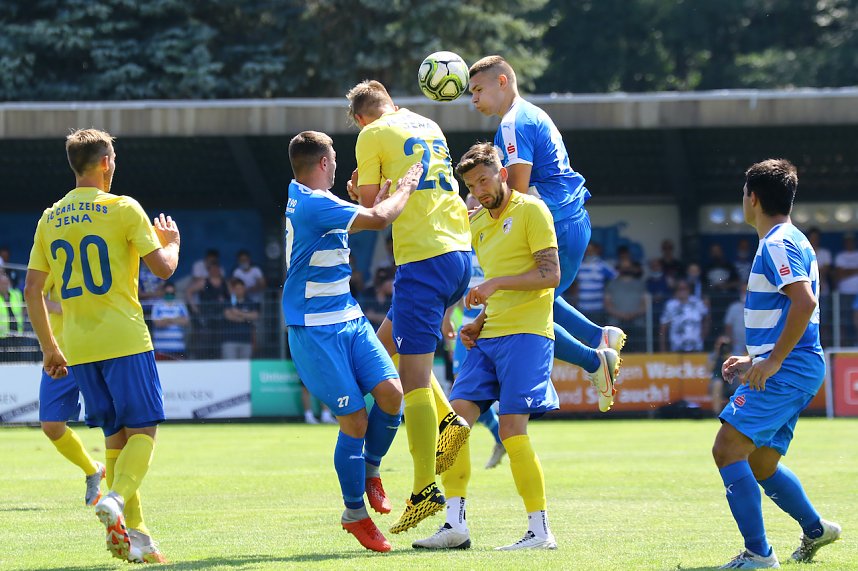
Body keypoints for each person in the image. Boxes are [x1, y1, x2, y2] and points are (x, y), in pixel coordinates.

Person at [24, 128, 179, 563]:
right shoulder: (123, 207)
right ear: (106, 162)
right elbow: (163, 270)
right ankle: (115, 499)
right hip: (124, 338)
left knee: (115, 438)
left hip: (78, 347)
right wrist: (172, 243)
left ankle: (139, 536)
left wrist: (50, 348)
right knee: (144, 432)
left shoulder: (49, 218)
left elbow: (32, 289)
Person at [414, 143, 572, 551]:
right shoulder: (479, 224)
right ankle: (455, 526)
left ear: (502, 173)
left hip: (528, 334)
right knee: (453, 426)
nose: (480, 190)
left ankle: (540, 532)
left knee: (511, 429)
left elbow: (550, 275)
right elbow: (496, 286)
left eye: (484, 180)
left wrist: (494, 284)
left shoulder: (532, 210)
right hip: (488, 336)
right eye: (472, 185)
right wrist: (478, 322)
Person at [283, 130, 422, 552]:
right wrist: (406, 188)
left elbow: (356, 218)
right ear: (324, 162)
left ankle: (370, 470)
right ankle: (354, 513)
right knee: (355, 421)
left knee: (392, 393)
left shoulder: (313, 198)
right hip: (314, 328)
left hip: (348, 316)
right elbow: (379, 220)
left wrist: (362, 202)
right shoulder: (314, 204)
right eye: (335, 160)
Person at [347, 79, 473, 533]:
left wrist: (356, 191)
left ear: (360, 117)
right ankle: (449, 423)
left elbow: (371, 211)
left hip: (423, 257)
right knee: (384, 350)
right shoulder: (428, 123)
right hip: (459, 253)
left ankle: (423, 490)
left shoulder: (371, 134)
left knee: (413, 380)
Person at [468, 55, 623, 413]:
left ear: (502, 82)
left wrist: (480, 215)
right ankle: (599, 337)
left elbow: (517, 191)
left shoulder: (512, 124)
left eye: (478, 90)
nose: (473, 99)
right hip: (568, 218)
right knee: (541, 300)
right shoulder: (532, 113)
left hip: (555, 221)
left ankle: (594, 360)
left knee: (530, 309)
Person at [714, 159, 841, 568]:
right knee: (761, 462)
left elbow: (804, 303)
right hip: (796, 365)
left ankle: (758, 554)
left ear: (752, 198)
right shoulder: (793, 239)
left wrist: (772, 362)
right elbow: (792, 309)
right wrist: (756, 357)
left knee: (727, 448)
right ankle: (815, 528)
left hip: (790, 366)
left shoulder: (776, 243)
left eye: (743, 193)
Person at [442, 194, 505, 471]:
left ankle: (507, 435)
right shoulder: (461, 243)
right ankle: (499, 436)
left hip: (494, 324)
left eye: (477, 206)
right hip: (467, 327)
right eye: (469, 207)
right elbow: (459, 287)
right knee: (461, 388)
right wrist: (447, 317)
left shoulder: (497, 239)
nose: (473, 210)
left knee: (483, 388)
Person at [38, 274, 106, 506]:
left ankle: (121, 492)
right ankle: (92, 470)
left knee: (116, 420)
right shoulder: (50, 257)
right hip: (63, 354)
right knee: (51, 425)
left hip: (101, 350)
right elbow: (35, 295)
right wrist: (61, 308)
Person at [659, 279, 709, 353]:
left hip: (696, 347)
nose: (683, 291)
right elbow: (663, 327)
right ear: (676, 291)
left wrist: (704, 334)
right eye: (680, 289)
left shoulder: (697, 303)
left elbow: (706, 317)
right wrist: (663, 349)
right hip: (677, 349)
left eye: (685, 288)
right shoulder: (670, 305)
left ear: (689, 290)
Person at [222, 278, 259, 359]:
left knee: (245, 365)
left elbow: (255, 316)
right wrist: (246, 318)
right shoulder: (227, 302)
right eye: (237, 288)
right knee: (230, 365)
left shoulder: (250, 302)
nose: (239, 291)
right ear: (233, 290)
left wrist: (239, 313)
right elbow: (228, 315)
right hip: (230, 340)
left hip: (246, 340)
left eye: (241, 288)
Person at [150, 282, 190, 360]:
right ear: (163, 293)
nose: (169, 295)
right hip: (161, 349)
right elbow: (157, 323)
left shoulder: (180, 305)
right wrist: (175, 319)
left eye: (172, 293)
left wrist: (167, 320)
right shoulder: (157, 305)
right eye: (167, 293)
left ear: (175, 293)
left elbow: (186, 321)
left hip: (178, 348)